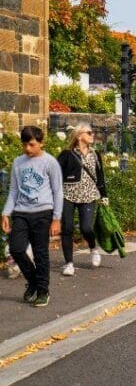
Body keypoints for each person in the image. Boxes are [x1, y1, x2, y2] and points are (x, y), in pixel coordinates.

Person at [2, 126, 64, 307]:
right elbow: (13, 190)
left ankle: (43, 291)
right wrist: (6, 212)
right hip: (21, 212)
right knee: (16, 249)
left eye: (32, 144)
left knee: (40, 254)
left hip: (43, 213)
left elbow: (58, 191)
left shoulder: (50, 162)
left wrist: (56, 218)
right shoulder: (18, 163)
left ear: (41, 143)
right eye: (24, 144)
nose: (27, 148)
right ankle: (34, 282)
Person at [57, 123, 108, 276]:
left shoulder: (95, 154)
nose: (92, 135)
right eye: (89, 132)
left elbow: (100, 177)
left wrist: (104, 195)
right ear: (79, 136)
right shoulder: (66, 154)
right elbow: (56, 174)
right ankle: (69, 263)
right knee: (67, 228)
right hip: (68, 195)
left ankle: (93, 248)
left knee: (86, 228)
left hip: (89, 195)